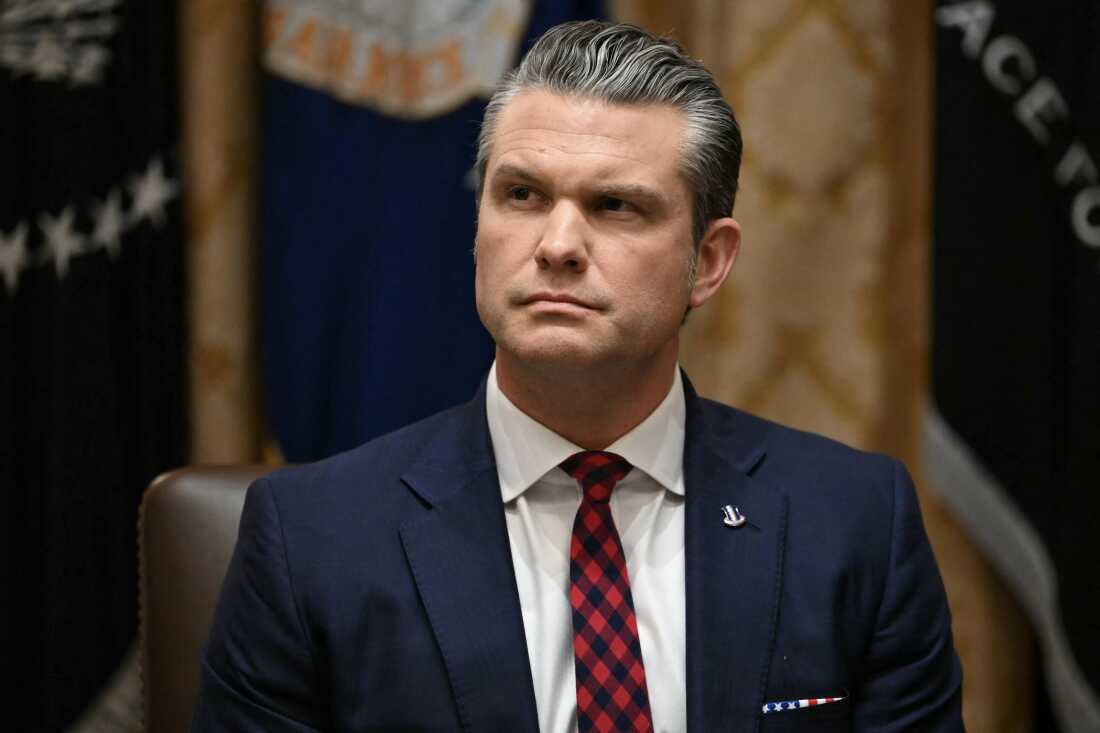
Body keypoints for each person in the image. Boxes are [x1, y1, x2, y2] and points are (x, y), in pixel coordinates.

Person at [193, 20, 964, 733]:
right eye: (522, 195)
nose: (557, 244)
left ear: (710, 260)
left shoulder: (856, 525)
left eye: (616, 206)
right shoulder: (311, 541)